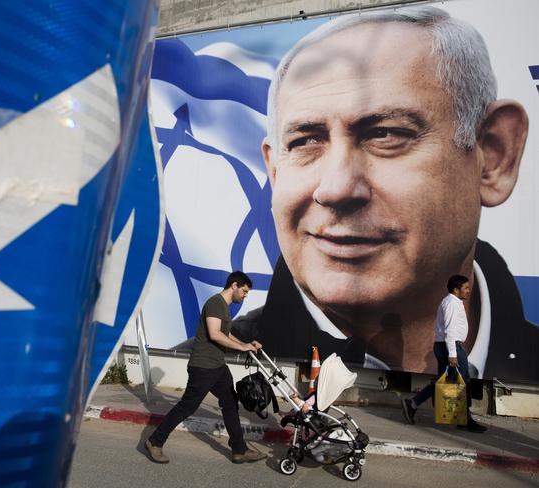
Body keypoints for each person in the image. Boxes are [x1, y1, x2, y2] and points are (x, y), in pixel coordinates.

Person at [232, 5, 539, 383]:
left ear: (493, 156)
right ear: (274, 171)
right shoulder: (220, 379)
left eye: (385, 134)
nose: (336, 188)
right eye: (306, 141)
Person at [145, 271, 267, 464]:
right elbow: (215, 334)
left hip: (217, 366)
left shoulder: (224, 307)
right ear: (234, 285)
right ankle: (155, 441)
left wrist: (247, 344)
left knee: (230, 403)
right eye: (244, 291)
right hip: (203, 366)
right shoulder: (215, 303)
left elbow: (225, 333)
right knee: (187, 406)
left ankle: (239, 450)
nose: (244, 296)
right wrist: (242, 347)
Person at [401, 275, 487, 432]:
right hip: (451, 347)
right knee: (463, 382)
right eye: (465, 288)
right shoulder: (451, 304)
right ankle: (465, 420)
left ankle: (412, 404)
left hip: (447, 347)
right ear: (456, 289)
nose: (468, 291)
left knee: (443, 381)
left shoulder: (453, 302)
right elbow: (450, 330)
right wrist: (453, 354)